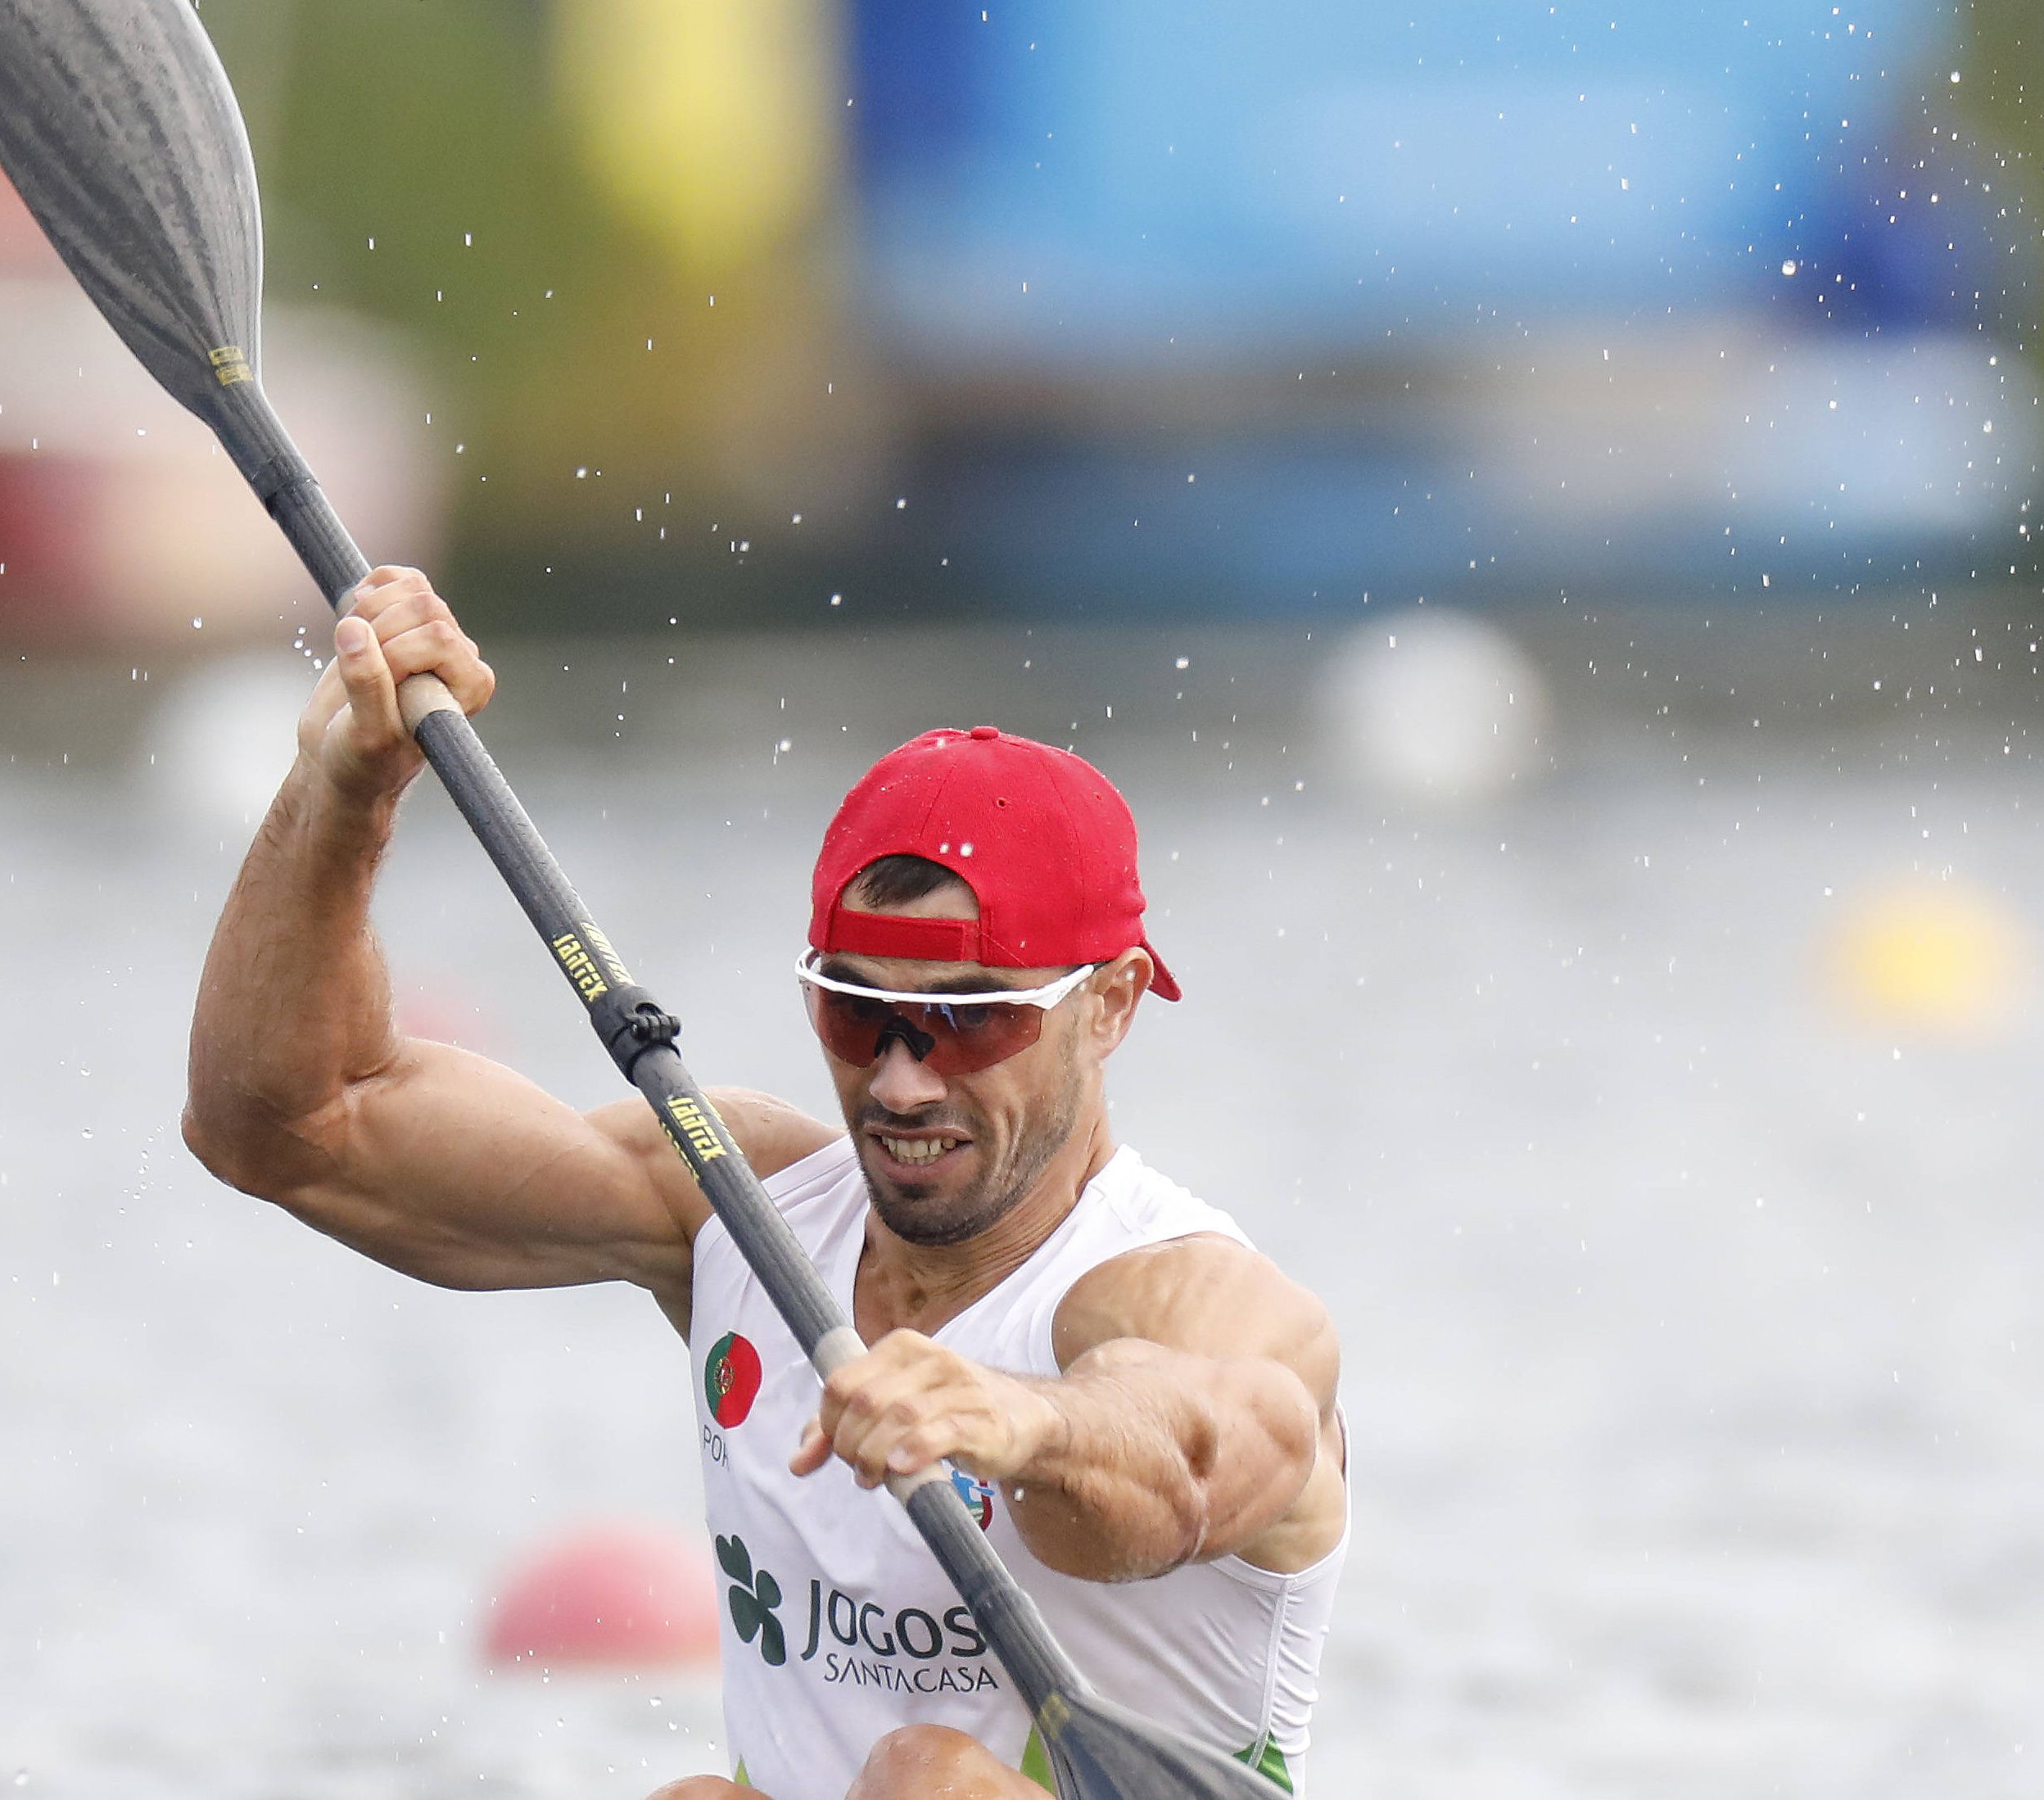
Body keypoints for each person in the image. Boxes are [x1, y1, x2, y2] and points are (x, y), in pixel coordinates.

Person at [183, 568, 1348, 1798]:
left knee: (925, 1779)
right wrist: (342, 792)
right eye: (854, 1010)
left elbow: (1209, 1450)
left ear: (1108, 1004)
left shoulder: (1187, 1295)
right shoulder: (741, 1210)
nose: (900, 1080)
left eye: (970, 1019)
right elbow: (281, 1124)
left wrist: (1024, 1420)